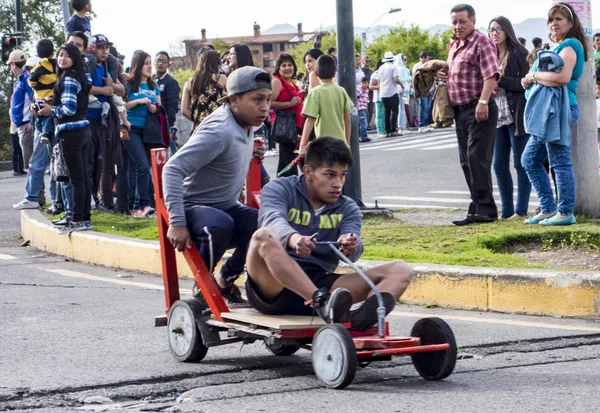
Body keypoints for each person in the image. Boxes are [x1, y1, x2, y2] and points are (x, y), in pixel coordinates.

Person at [245, 137, 413, 328]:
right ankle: (322, 304)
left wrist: (351, 244)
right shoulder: (280, 189)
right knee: (262, 236)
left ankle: (359, 321)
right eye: (330, 174)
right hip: (273, 286)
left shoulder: (347, 207)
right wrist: (294, 239)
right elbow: (272, 220)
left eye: (343, 175)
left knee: (401, 269)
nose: (338, 183)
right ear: (308, 171)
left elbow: (353, 240)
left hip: (321, 282)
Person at [162, 66, 269, 304]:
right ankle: (203, 289)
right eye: (258, 99)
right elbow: (172, 169)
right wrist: (177, 222)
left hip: (224, 205)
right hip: (193, 207)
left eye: (268, 100)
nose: (265, 107)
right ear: (234, 100)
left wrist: (253, 148)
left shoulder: (247, 121)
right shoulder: (219, 130)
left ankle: (223, 280)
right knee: (220, 225)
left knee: (266, 225)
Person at [520, 2, 587, 226]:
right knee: (529, 159)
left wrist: (534, 76)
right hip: (547, 110)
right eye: (551, 19)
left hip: (560, 109)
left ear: (570, 22)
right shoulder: (556, 46)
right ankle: (548, 207)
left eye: (559, 19)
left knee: (559, 161)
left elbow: (562, 78)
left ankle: (565, 211)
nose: (554, 23)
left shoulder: (570, 44)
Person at [437, 4, 500, 226]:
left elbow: (491, 75)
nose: (458, 26)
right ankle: (477, 206)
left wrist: (483, 101)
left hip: (479, 107)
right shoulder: (455, 44)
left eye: (462, 21)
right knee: (466, 160)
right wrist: (445, 73)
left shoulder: (482, 42)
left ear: (473, 21)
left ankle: (486, 210)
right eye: (454, 22)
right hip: (460, 110)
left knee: (477, 158)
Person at [38, 43, 92, 234]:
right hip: (83, 130)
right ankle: (84, 217)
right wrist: (54, 103)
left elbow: (69, 109)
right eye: (60, 55)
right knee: (83, 177)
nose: (62, 59)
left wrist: (49, 110)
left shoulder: (68, 79)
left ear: (75, 59)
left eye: (67, 56)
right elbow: (73, 104)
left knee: (76, 179)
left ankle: (77, 219)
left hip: (71, 133)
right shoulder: (80, 77)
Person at [488, 17, 531, 220]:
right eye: (491, 30)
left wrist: (500, 81)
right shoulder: (489, 55)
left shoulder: (519, 53)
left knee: (521, 163)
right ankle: (506, 212)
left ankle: (521, 211)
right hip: (496, 117)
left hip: (516, 115)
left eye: (498, 29)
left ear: (507, 30)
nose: (494, 33)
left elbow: (525, 84)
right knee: (498, 165)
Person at [86, 34, 125, 212]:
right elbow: (84, 87)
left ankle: (105, 202)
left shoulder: (109, 65)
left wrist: (112, 87)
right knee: (91, 162)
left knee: (105, 163)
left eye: (107, 48)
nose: (104, 51)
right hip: (89, 118)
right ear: (93, 47)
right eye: (101, 47)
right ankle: (93, 200)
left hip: (105, 120)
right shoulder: (90, 65)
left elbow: (121, 90)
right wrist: (106, 89)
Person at [124, 51, 162, 218]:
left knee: (145, 168)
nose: (149, 66)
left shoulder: (153, 86)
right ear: (138, 65)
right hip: (129, 130)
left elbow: (159, 107)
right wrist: (138, 101)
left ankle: (142, 204)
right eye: (146, 62)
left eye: (150, 62)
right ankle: (142, 206)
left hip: (148, 132)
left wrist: (155, 108)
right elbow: (122, 105)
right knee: (142, 165)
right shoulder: (129, 84)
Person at [299, 54, 353, 156]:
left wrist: (302, 146)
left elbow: (310, 120)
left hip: (323, 144)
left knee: (326, 171)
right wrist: (347, 144)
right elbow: (347, 120)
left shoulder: (315, 92)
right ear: (334, 74)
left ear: (315, 74)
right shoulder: (341, 91)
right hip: (340, 144)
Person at [271, 53, 304, 177]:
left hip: (295, 129)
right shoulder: (277, 81)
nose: (287, 68)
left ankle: (282, 188)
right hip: (285, 128)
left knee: (288, 161)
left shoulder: (291, 82)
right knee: (289, 163)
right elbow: (270, 103)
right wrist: (289, 103)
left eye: (290, 65)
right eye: (283, 65)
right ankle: (289, 189)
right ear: (278, 69)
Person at [181, 50, 227, 132]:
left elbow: (184, 110)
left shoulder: (190, 82)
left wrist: (197, 119)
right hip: (218, 126)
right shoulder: (221, 78)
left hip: (198, 128)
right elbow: (234, 98)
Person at [8, 50, 33, 177]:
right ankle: (37, 195)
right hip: (20, 125)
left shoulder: (25, 79)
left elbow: (34, 98)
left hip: (25, 126)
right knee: (31, 165)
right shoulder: (20, 79)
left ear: (13, 65)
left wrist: (31, 121)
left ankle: (37, 195)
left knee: (32, 166)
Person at [154, 51, 181, 154]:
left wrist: (167, 124)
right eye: (158, 60)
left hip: (164, 126)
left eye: (164, 61)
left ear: (168, 64)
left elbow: (172, 106)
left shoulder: (171, 82)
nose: (160, 63)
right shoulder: (150, 80)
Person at [377, 52, 403, 138]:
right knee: (395, 111)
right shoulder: (393, 67)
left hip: (383, 92)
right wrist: (401, 84)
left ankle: (387, 131)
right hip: (392, 91)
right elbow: (395, 79)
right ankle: (393, 130)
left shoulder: (380, 68)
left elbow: (379, 80)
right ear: (392, 59)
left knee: (386, 112)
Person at [413, 52, 433, 132]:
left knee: (428, 107)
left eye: (425, 57)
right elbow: (414, 78)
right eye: (422, 57)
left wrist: (432, 86)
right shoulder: (417, 66)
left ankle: (426, 123)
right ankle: (421, 125)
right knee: (423, 106)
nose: (424, 58)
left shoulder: (429, 65)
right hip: (421, 89)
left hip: (429, 88)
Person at [369, 59, 386, 137]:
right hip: (378, 97)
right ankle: (380, 131)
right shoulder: (375, 74)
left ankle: (384, 129)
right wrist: (379, 86)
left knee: (384, 114)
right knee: (379, 115)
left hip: (385, 96)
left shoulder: (385, 73)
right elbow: (371, 86)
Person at [356, 77, 371, 142]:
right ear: (360, 83)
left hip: (364, 107)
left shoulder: (367, 90)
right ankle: (363, 137)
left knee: (364, 123)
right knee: (363, 123)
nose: (364, 85)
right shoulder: (359, 90)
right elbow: (356, 96)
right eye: (363, 83)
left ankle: (362, 136)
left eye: (366, 83)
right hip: (360, 108)